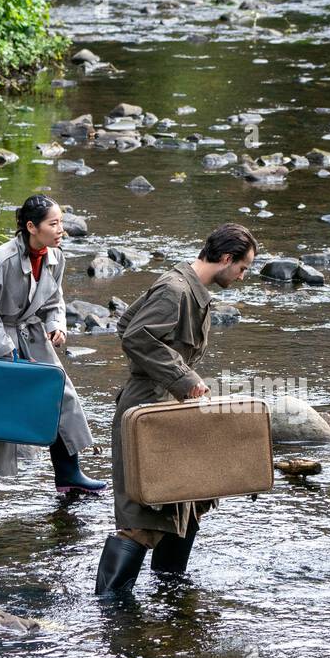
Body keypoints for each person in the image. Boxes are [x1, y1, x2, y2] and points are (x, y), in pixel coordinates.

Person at [95, 223, 258, 595]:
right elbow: (135, 336)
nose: (243, 276)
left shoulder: (189, 288)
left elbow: (126, 323)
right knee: (142, 514)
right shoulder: (175, 289)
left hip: (168, 410)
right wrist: (183, 378)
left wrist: (180, 382)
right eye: (243, 268)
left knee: (189, 500)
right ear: (227, 259)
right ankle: (110, 606)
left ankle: (169, 590)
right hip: (147, 413)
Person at [0, 194, 104, 515]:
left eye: (61, 223)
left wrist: (57, 324)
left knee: (59, 397)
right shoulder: (0, 260)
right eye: (53, 224)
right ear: (31, 227)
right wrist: (2, 346)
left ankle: (69, 473)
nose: (61, 230)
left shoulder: (55, 257)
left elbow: (54, 298)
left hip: (31, 335)